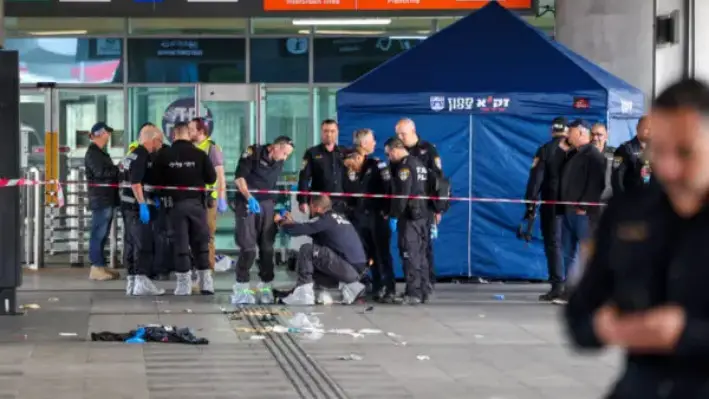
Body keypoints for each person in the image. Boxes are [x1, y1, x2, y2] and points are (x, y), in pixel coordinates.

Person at [564, 78, 709, 399]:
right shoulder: (628, 214)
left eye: (685, 152)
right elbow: (580, 315)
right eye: (660, 150)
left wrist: (685, 333)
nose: (669, 168)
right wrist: (609, 328)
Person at [153, 122, 216, 295]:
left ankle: (183, 285)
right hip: (197, 205)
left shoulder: (164, 155)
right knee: (200, 243)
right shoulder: (200, 154)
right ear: (189, 134)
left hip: (174, 206)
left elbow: (155, 180)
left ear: (173, 135)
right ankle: (206, 283)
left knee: (180, 243)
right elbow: (211, 178)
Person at [232, 136, 294, 304]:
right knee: (248, 248)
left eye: (288, 155)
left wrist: (279, 207)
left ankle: (266, 286)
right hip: (248, 203)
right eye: (285, 153)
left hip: (267, 206)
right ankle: (241, 289)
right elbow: (239, 178)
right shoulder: (254, 153)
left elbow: (273, 185)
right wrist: (249, 197)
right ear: (275, 147)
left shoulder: (279, 161)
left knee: (267, 248)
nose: (285, 158)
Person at [279, 195, 367, 306]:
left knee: (307, 250)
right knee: (312, 264)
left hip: (349, 268)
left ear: (317, 208)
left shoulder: (325, 219)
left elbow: (301, 229)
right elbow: (310, 229)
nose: (310, 211)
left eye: (311, 207)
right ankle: (343, 287)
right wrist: (293, 223)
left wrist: (282, 223)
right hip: (355, 269)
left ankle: (304, 295)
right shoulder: (337, 218)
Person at [554, 120, 606, 304]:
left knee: (584, 254)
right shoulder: (574, 154)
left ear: (582, 133)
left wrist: (584, 205)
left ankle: (586, 292)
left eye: (572, 133)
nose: (568, 136)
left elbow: (596, 183)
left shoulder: (593, 155)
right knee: (568, 252)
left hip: (583, 213)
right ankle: (569, 290)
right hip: (568, 210)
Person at [523, 116, 572, 301]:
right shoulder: (575, 149)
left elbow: (536, 180)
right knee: (572, 245)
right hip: (574, 206)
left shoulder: (545, 150)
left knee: (554, 244)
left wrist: (530, 204)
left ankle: (558, 285)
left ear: (552, 131)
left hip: (551, 205)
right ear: (566, 131)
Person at [395, 118, 446, 295]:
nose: (401, 137)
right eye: (398, 134)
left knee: (425, 247)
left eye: (404, 133)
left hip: (425, 205)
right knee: (411, 247)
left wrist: (438, 208)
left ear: (413, 130)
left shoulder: (428, 150)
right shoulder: (399, 151)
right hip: (407, 207)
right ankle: (419, 284)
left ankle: (427, 282)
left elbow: (439, 181)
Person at [343, 128, 395, 302]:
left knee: (383, 253)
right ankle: (376, 285)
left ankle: (390, 288)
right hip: (360, 216)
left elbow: (388, 189)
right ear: (364, 143)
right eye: (372, 140)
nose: (374, 143)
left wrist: (387, 211)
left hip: (378, 215)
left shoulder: (377, 164)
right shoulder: (352, 164)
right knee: (368, 253)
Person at [120, 125, 165, 296]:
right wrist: (143, 204)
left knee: (131, 244)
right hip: (135, 207)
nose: (160, 145)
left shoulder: (131, 155)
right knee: (143, 243)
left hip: (127, 206)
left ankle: (132, 281)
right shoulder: (142, 156)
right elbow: (136, 182)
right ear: (153, 140)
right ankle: (141, 280)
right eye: (160, 141)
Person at [387, 138, 430, 305]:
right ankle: (424, 290)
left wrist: (394, 215)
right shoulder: (418, 163)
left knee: (409, 253)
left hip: (410, 216)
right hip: (422, 214)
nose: (389, 157)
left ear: (396, 149)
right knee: (421, 254)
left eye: (389, 153)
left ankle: (413, 293)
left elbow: (402, 195)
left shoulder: (404, 167)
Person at [189, 117, 228, 271]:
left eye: (192, 129)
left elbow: (220, 175)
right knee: (193, 235)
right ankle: (196, 268)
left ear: (201, 131)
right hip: (192, 198)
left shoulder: (212, 148)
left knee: (207, 236)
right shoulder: (191, 147)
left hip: (208, 200)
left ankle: (208, 271)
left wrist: (221, 198)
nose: (189, 132)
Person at [84, 122, 120, 281]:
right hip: (101, 199)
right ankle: (96, 267)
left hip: (107, 198)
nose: (109, 136)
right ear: (99, 134)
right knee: (98, 233)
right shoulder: (93, 153)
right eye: (107, 132)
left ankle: (100, 265)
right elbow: (101, 173)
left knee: (103, 233)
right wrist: (118, 169)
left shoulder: (100, 153)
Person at [297, 119, 346, 214]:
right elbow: (304, 178)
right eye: (326, 131)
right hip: (319, 203)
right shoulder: (312, 153)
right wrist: (303, 200)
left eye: (332, 131)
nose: (329, 134)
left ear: (337, 132)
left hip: (340, 203)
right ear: (321, 132)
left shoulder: (343, 152)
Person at [611, 115, 652, 195]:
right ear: (637, 127)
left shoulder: (658, 150)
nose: (650, 132)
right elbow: (617, 178)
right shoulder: (624, 149)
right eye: (647, 128)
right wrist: (622, 199)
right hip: (631, 199)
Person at [590, 123, 616, 202]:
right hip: (588, 203)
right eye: (592, 134)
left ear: (606, 136)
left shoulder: (614, 153)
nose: (595, 138)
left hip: (609, 202)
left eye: (599, 135)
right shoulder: (582, 153)